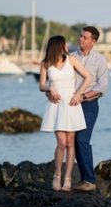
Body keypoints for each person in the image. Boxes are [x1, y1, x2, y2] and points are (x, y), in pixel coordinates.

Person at [44, 25, 109, 192]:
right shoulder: (69, 57)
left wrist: (83, 96)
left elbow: (103, 87)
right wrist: (50, 93)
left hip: (88, 104)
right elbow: (56, 81)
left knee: (81, 140)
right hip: (68, 105)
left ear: (93, 41)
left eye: (84, 37)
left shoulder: (99, 60)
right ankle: (76, 178)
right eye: (80, 36)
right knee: (67, 142)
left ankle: (89, 180)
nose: (80, 39)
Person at [39, 35, 93, 192]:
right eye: (65, 44)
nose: (68, 47)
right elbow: (41, 85)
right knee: (61, 143)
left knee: (71, 143)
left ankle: (68, 178)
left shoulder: (71, 60)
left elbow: (88, 77)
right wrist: (50, 87)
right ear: (58, 46)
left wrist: (79, 94)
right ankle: (57, 175)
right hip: (56, 105)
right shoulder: (45, 63)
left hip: (71, 103)